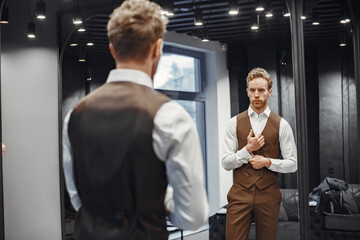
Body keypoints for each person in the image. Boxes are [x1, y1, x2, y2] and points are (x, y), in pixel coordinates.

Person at [62, 0, 209, 239]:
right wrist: (163, 197)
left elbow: (78, 200)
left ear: (112, 48)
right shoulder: (170, 116)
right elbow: (192, 216)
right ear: (157, 48)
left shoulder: (75, 115)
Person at [222, 67, 297, 240]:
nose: (257, 94)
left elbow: (293, 164)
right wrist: (247, 150)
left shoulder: (282, 125)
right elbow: (226, 163)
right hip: (239, 193)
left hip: (268, 194)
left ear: (269, 92)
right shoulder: (233, 123)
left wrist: (268, 162)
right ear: (247, 91)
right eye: (252, 90)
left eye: (261, 90)